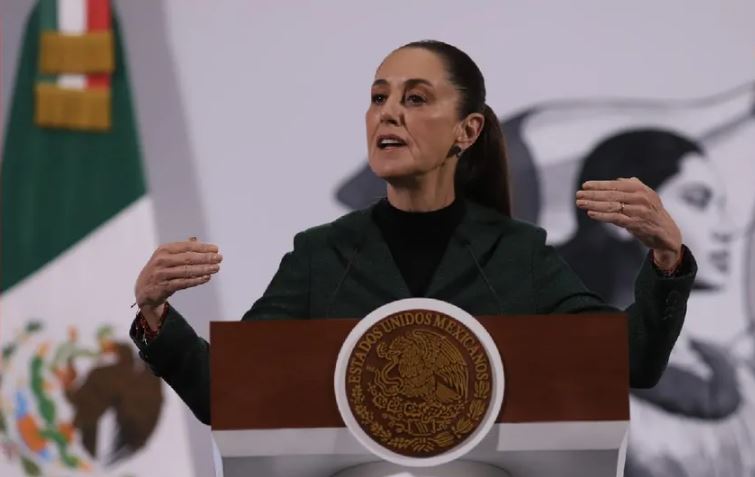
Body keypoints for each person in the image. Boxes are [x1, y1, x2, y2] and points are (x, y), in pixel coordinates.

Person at [130, 40, 697, 425]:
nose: (388, 113)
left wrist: (667, 260)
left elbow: (630, 361)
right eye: (379, 97)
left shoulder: (516, 253)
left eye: (416, 98)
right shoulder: (321, 255)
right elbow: (230, 395)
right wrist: (155, 314)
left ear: (466, 131)